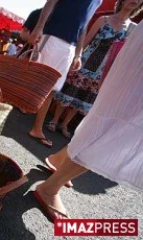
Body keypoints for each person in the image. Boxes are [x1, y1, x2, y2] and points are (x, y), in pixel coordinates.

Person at [34, 20, 143, 220]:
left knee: (115, 121)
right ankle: (49, 188)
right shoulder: (105, 20)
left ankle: (59, 160)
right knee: (119, 128)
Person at [47, 0, 143, 139]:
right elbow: (85, 41)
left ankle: (65, 124)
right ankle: (54, 120)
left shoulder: (133, 29)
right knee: (70, 90)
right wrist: (76, 58)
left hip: (104, 69)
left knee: (84, 97)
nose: (134, 1)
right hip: (86, 61)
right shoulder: (103, 20)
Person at [27, 0, 103, 147]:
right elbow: (51, 2)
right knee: (34, 80)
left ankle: (36, 128)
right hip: (52, 36)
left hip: (70, 47)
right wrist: (39, 27)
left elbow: (84, 25)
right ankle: (5, 112)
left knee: (51, 88)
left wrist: (78, 54)